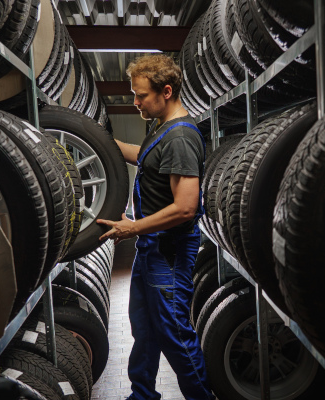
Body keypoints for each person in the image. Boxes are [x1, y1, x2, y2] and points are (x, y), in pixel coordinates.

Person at [96, 54, 214, 400]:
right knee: (145, 329)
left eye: (141, 96)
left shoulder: (180, 139)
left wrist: (133, 228)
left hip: (168, 251)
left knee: (174, 333)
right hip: (151, 248)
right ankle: (142, 395)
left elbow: (185, 207)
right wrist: (101, 142)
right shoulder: (161, 128)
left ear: (166, 91)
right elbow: (144, 155)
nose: (135, 103)